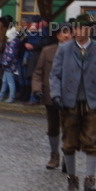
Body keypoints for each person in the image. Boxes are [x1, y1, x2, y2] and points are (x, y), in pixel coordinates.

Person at [49, 15, 96, 191]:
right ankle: (72, 180)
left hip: (92, 102)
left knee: (92, 142)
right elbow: (55, 75)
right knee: (69, 143)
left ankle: (90, 179)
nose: (78, 32)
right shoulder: (64, 49)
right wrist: (56, 94)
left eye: (82, 29)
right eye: (76, 29)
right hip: (69, 103)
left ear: (89, 30)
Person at [31, 22, 72, 169]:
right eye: (64, 32)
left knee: (69, 127)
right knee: (53, 127)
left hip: (71, 97)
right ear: (58, 35)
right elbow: (38, 72)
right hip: (51, 95)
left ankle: (68, 156)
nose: (67, 35)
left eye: (70, 32)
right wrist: (37, 89)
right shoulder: (47, 51)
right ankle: (54, 155)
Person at [0, 25, 19, 102]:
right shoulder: (10, 43)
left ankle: (11, 97)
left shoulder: (12, 44)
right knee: (5, 81)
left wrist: (5, 63)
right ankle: (1, 95)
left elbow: (10, 55)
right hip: (8, 65)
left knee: (10, 82)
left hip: (9, 66)